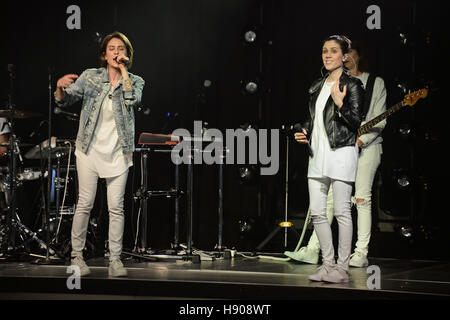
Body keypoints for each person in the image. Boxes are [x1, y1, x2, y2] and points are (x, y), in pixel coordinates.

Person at [285, 41, 386, 269]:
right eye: (325, 51)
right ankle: (314, 249)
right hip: (336, 146)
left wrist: (361, 138)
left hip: (365, 145)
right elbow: (319, 119)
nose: (343, 57)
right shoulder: (323, 84)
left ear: (354, 56)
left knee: (360, 199)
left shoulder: (371, 83)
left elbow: (380, 118)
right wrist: (303, 130)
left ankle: (359, 253)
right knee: (326, 202)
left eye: (344, 53)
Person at [55, 31, 145, 277]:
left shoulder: (136, 80)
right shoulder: (90, 77)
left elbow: (131, 99)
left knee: (116, 206)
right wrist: (60, 88)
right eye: (112, 48)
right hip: (89, 150)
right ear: (104, 54)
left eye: (121, 49)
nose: (116, 52)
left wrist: (124, 72)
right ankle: (77, 257)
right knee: (85, 203)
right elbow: (65, 100)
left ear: (127, 54)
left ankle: (115, 259)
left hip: (119, 151)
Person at [291, 35, 364, 283]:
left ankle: (342, 269)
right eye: (324, 51)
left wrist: (340, 104)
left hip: (342, 151)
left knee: (342, 211)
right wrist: (301, 131)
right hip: (318, 154)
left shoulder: (353, 85)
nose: (328, 55)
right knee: (319, 213)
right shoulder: (315, 86)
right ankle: (327, 264)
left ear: (344, 56)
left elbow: (356, 122)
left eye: (333, 51)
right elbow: (312, 120)